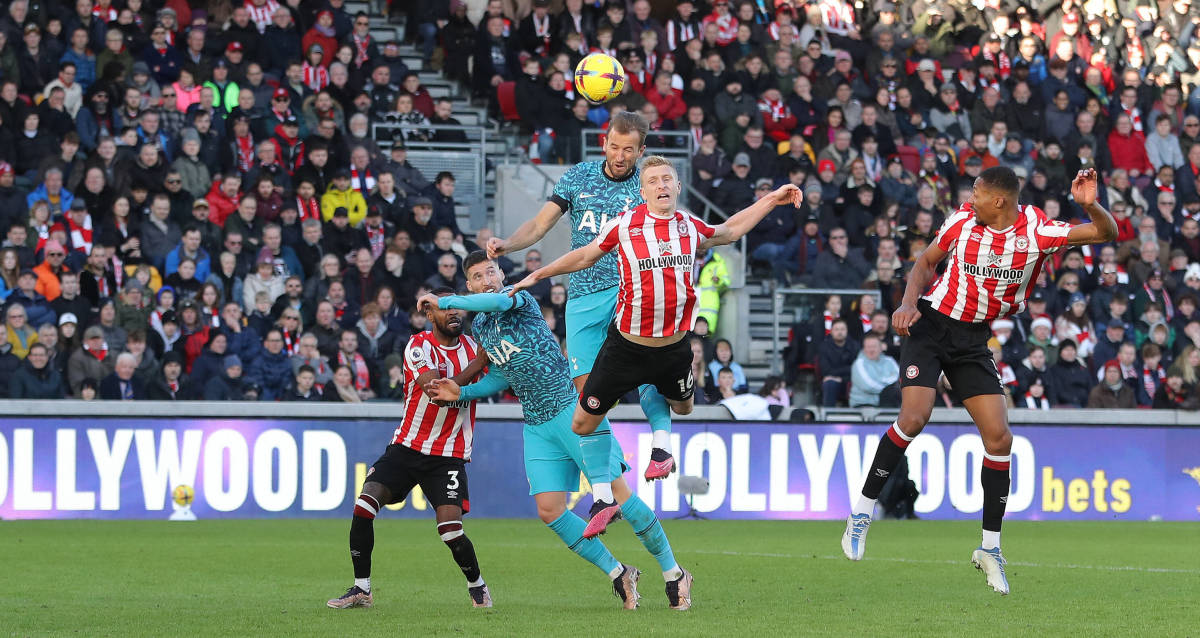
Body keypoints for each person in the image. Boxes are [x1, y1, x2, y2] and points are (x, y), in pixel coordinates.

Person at [842, 167, 1117, 596]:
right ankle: (862, 510)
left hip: (972, 338)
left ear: (1000, 201)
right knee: (914, 416)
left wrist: (1089, 205)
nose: (970, 197)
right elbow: (926, 261)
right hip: (931, 325)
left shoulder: (1039, 231)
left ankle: (990, 549)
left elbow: (1105, 232)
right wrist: (907, 303)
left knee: (999, 438)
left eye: (978, 192)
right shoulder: (961, 220)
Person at [510, 155, 801, 537]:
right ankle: (605, 497)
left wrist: (771, 200)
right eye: (654, 181)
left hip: (675, 346)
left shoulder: (689, 226)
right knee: (582, 422)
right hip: (626, 347)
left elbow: (728, 231)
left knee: (685, 407)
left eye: (668, 179)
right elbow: (584, 255)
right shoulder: (625, 225)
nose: (662, 185)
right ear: (643, 191)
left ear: (678, 187)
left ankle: (660, 449)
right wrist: (541, 272)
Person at [423, 257, 693, 610]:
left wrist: (445, 301)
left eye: (491, 271)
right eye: (477, 277)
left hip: (572, 410)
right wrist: (462, 392)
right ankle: (618, 572)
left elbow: (499, 301)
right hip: (536, 425)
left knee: (619, 495)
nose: (487, 279)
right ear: (470, 286)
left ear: (502, 275)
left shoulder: (518, 298)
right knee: (549, 510)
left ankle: (674, 573)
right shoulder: (482, 329)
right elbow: (504, 375)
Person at [485, 112, 680, 484]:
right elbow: (541, 225)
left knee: (648, 370)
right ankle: (606, 488)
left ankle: (661, 447)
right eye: (614, 146)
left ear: (641, 151)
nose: (620, 156)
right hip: (584, 296)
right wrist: (508, 243)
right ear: (603, 142)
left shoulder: (647, 184)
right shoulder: (578, 177)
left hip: (631, 290)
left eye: (628, 149)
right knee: (588, 395)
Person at [325, 286, 490, 609]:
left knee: (450, 530)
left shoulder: (473, 346)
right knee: (364, 505)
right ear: (430, 315)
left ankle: (477, 585)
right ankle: (362, 588)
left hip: (448, 455)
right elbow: (437, 391)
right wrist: (479, 363)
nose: (454, 313)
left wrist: (485, 359)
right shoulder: (418, 346)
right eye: (445, 309)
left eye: (457, 308)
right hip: (407, 446)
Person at [850, 334, 900, 407]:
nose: (871, 350)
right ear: (864, 349)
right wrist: (888, 386)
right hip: (864, 404)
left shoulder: (890, 360)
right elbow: (868, 386)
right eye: (868, 347)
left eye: (874, 347)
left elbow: (898, 379)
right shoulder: (859, 363)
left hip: (888, 402)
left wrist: (880, 381)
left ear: (881, 348)